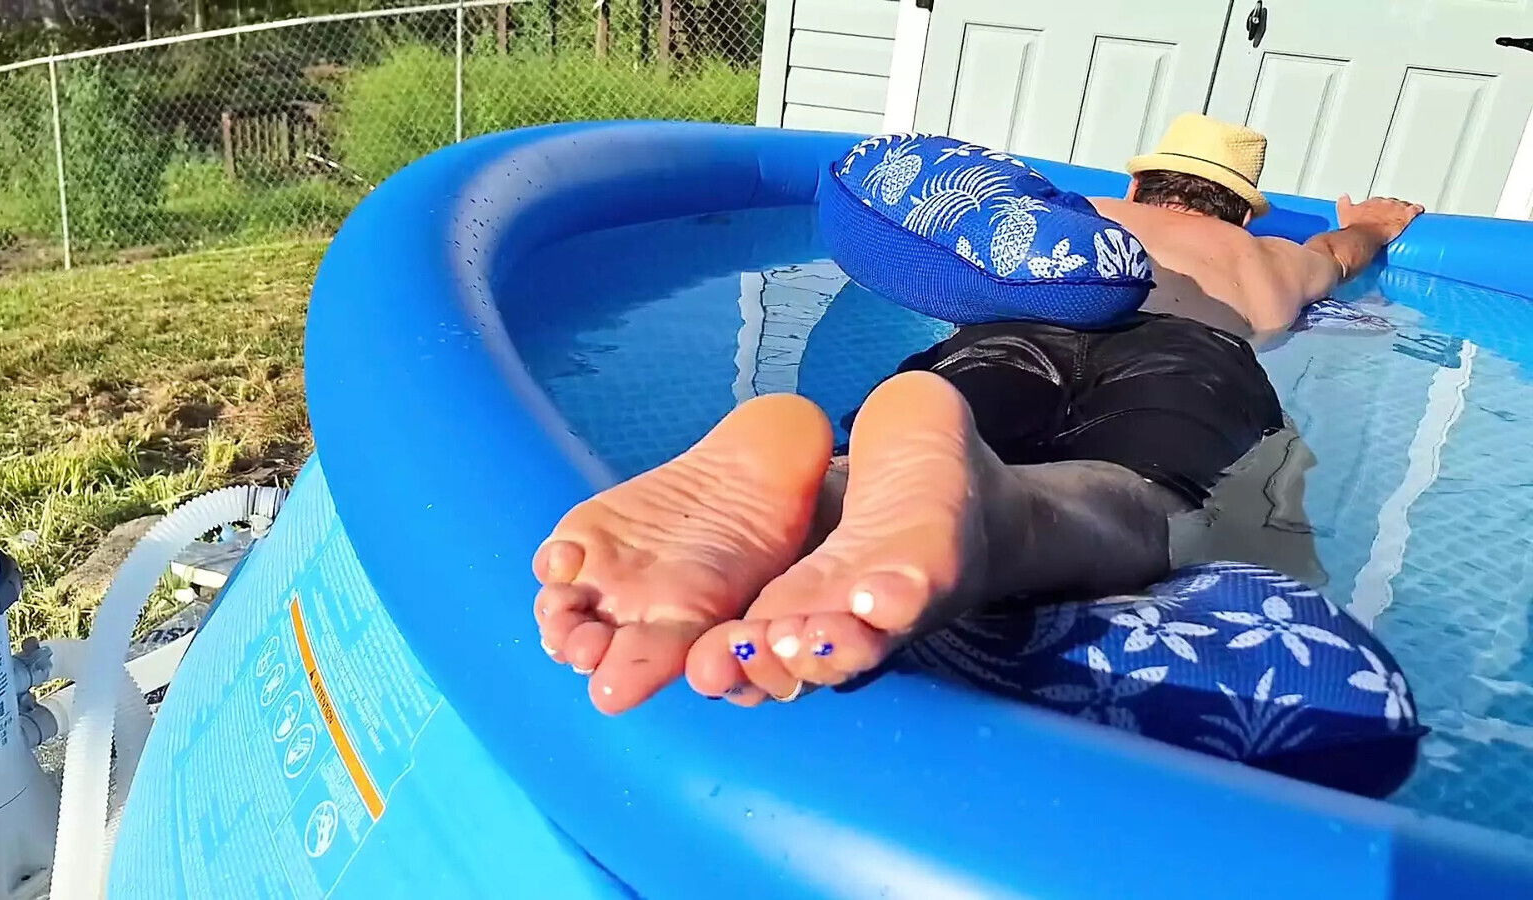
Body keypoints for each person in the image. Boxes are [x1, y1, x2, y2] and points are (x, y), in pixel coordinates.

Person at [531, 113, 1424, 715]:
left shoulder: (1082, 219)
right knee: (1150, 495)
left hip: (1021, 326)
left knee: (943, 415)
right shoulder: (1264, 261)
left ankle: (832, 487)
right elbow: (1342, 253)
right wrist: (1368, 226)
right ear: (1238, 207)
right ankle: (1009, 516)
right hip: (1193, 357)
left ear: (1143, 183)